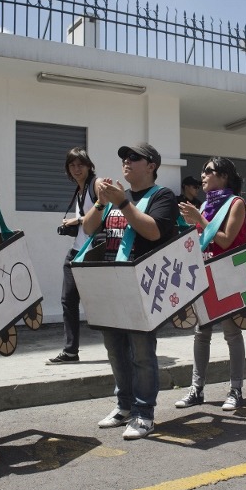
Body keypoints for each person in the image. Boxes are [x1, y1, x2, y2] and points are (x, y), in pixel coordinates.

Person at [81, 143, 178, 440]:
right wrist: (100, 202)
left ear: (151, 165)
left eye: (134, 157)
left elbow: (153, 231)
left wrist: (123, 203)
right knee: (115, 350)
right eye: (124, 157)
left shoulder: (162, 196)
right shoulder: (113, 198)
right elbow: (88, 229)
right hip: (111, 280)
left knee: (142, 352)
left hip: (141, 283)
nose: (126, 161)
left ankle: (144, 412)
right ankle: (124, 406)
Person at [175, 157, 246, 412]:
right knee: (201, 333)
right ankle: (197, 389)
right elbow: (201, 240)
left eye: (209, 171)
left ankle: (236, 389)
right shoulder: (206, 204)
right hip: (204, 275)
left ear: (224, 176)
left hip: (227, 275)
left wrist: (199, 218)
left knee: (231, 332)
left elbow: (227, 240)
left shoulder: (236, 203)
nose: (202, 176)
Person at [47, 147, 102, 365]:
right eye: (72, 165)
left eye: (81, 164)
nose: (76, 168)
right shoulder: (79, 190)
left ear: (89, 166)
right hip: (76, 251)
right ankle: (70, 351)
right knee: (68, 301)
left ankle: (124, 346)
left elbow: (104, 211)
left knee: (101, 301)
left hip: (94, 253)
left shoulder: (95, 185)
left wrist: (77, 221)